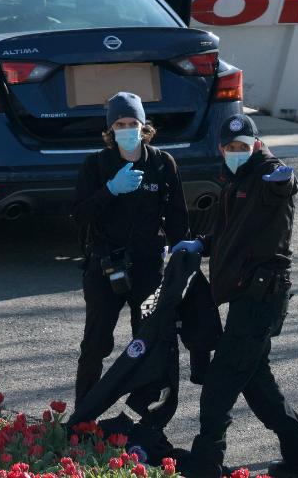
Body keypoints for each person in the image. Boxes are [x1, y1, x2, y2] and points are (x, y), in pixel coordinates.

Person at [171, 115, 298, 478]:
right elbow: (225, 235)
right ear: (222, 149)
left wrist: (285, 181)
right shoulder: (233, 179)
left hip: (260, 298)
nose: (237, 152)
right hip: (246, 299)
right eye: (230, 148)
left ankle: (206, 464)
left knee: (220, 386)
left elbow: (282, 188)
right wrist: (198, 244)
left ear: (255, 144)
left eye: (243, 146)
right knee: (256, 383)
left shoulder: (269, 174)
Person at [72, 92, 188, 409]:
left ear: (143, 126)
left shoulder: (163, 164)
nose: (127, 128)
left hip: (149, 267)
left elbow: (178, 219)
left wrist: (182, 260)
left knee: (150, 339)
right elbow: (80, 214)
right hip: (106, 266)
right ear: (110, 129)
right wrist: (109, 190)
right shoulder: (96, 165)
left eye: (132, 122)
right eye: (120, 123)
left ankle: (146, 411)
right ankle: (84, 413)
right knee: (95, 344)